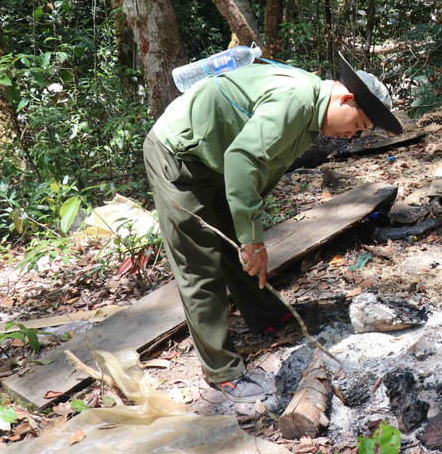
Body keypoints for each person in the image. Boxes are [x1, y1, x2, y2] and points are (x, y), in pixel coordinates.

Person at [143, 52, 402, 402]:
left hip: (217, 159)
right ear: (346, 98)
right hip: (178, 156)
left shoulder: (311, 117)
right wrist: (253, 240)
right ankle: (222, 371)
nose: (352, 136)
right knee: (199, 263)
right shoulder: (296, 99)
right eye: (358, 125)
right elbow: (243, 159)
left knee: (240, 242)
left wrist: (249, 236)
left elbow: (260, 168)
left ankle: (267, 317)